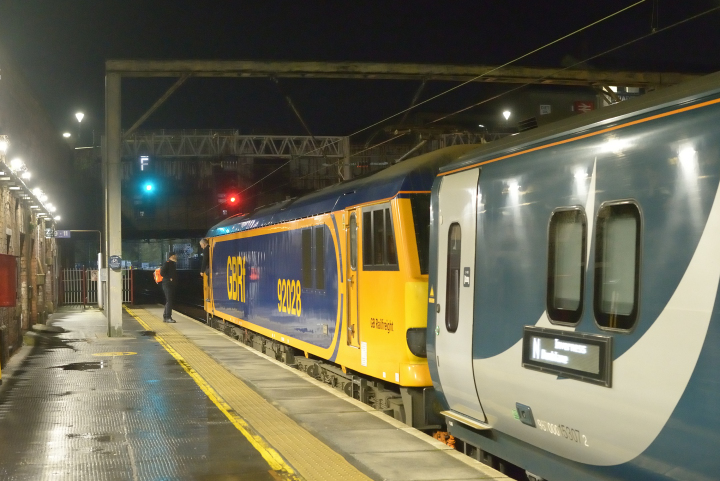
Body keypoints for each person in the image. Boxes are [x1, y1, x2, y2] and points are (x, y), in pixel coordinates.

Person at [161, 253, 178, 323]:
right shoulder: (167, 264)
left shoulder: (172, 264)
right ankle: (168, 317)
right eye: (175, 255)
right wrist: (169, 278)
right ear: (171, 256)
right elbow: (162, 272)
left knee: (169, 300)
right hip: (167, 284)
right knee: (169, 300)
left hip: (169, 284)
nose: (176, 257)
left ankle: (165, 316)